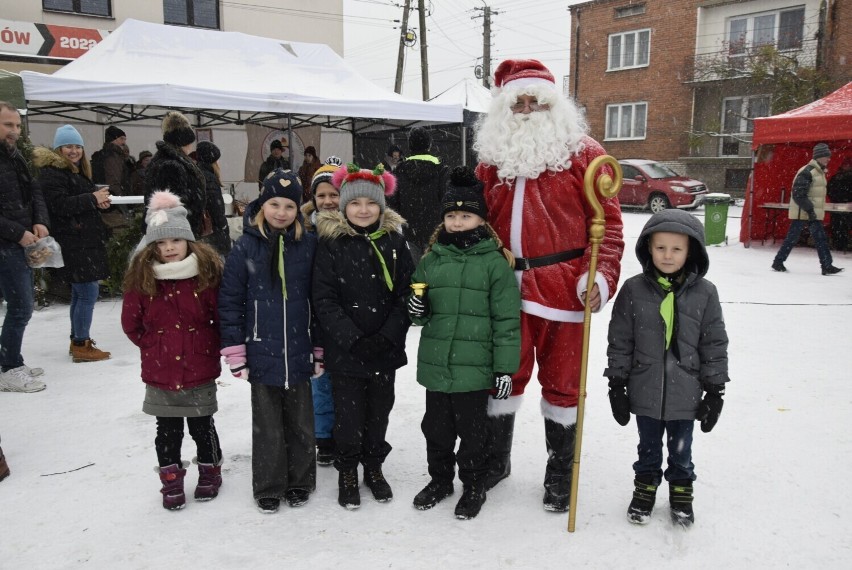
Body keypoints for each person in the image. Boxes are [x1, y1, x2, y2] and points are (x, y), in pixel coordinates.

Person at [473, 59, 624, 512]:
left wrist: (600, 277)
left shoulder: (585, 154)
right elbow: (473, 225)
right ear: (502, 106)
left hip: (564, 290)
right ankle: (496, 459)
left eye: (534, 99)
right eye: (517, 100)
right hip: (503, 291)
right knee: (503, 376)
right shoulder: (490, 158)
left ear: (552, 103)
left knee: (563, 384)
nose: (525, 107)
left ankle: (561, 470)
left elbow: (610, 229)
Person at [408, 166, 521, 520]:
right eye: (452, 215)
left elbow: (506, 321)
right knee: (436, 431)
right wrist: (416, 309)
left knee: (474, 435)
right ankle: (440, 480)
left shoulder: (494, 264)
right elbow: (419, 313)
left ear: (481, 221)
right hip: (438, 366)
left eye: (466, 215)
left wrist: (504, 369)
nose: (457, 222)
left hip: (475, 371)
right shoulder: (430, 260)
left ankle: (473, 484)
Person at [605, 209, 729, 527]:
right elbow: (620, 339)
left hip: (686, 392)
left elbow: (713, 343)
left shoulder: (705, 293)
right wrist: (616, 384)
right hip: (644, 387)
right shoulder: (633, 290)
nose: (668, 255)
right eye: (660, 247)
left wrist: (715, 391)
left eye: (677, 248)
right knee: (647, 447)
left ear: (691, 251)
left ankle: (681, 491)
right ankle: (645, 488)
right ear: (648, 248)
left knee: (681, 449)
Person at [312, 163, 414, 510]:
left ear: (381, 205)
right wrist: (352, 338)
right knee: (349, 416)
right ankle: (347, 472)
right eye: (355, 204)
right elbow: (324, 300)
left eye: (371, 204)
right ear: (343, 206)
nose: (364, 210)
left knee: (379, 412)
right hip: (347, 350)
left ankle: (373, 467)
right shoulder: (331, 244)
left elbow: (406, 294)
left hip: (383, 348)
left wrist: (387, 335)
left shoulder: (396, 242)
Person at [219, 169, 317, 514]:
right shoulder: (245, 245)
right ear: (262, 205)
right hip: (261, 349)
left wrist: (318, 346)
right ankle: (269, 485)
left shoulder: (309, 243)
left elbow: (318, 300)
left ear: (298, 209)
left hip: (300, 349)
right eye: (274, 204)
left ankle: (301, 480)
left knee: (302, 424)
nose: (281, 212)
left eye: (289, 206)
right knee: (267, 427)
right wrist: (235, 351)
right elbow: (230, 300)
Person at [121, 190, 225, 511]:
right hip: (160, 370)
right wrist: (155, 345)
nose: (168, 248)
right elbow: (131, 324)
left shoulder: (205, 276)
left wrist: (206, 346)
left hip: (199, 368)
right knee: (166, 431)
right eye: (161, 243)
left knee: (202, 426)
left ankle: (209, 472)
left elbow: (220, 318)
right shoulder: (143, 279)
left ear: (188, 242)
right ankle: (171, 480)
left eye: (175, 241)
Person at [34, 124, 112, 363]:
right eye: (68, 146)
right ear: (58, 149)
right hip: (75, 242)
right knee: (88, 292)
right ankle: (81, 343)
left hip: (83, 240)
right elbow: (59, 205)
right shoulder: (52, 173)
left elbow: (75, 203)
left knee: (81, 292)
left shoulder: (76, 172)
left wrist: (96, 203)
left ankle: (78, 340)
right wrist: (91, 198)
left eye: (78, 146)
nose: (74, 151)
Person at [0, 101, 49, 393]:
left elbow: (34, 191)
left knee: (20, 306)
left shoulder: (14, 156)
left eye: (17, 125)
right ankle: (9, 368)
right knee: (20, 308)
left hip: (20, 243)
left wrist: (39, 221)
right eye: (8, 125)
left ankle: (11, 359)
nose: (14, 131)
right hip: (7, 244)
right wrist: (18, 232)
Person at [301, 156, 343, 466]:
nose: (328, 201)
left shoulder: (357, 227)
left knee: (348, 380)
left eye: (334, 194)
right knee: (321, 380)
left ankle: (350, 432)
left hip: (348, 317)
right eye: (321, 195)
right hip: (314, 318)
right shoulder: (303, 232)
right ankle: (325, 437)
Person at [772, 143, 843, 275]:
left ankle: (826, 265)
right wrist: (810, 210)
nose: (829, 159)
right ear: (819, 157)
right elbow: (798, 194)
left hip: (810, 212)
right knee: (795, 239)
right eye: (827, 156)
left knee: (819, 238)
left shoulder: (818, 172)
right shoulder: (808, 171)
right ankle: (778, 262)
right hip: (804, 212)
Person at [389, 127, 449, 262]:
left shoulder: (399, 170)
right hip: (435, 231)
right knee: (434, 274)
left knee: (413, 275)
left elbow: (393, 202)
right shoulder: (441, 169)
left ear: (409, 146)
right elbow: (446, 199)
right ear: (429, 145)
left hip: (409, 231)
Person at [145, 111, 207, 238]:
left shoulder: (166, 162)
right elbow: (173, 206)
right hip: (176, 232)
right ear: (184, 142)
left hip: (176, 230)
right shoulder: (171, 166)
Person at [195, 141, 232, 256]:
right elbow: (216, 209)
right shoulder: (209, 178)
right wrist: (223, 228)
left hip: (203, 233)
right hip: (213, 233)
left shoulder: (197, 173)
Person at [91, 125, 131, 196]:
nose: (124, 142)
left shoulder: (106, 154)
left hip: (104, 196)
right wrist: (119, 201)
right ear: (114, 139)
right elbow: (113, 182)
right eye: (122, 139)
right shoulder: (112, 156)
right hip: (113, 198)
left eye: (125, 139)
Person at [827, 156, 852, 252]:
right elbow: (830, 190)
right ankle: (841, 244)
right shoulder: (836, 177)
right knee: (840, 226)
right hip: (842, 207)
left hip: (838, 207)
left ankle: (840, 244)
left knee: (839, 226)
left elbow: (829, 190)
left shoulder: (836, 177)